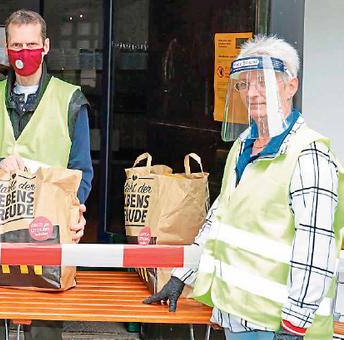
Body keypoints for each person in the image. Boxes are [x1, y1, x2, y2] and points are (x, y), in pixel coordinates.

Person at [144, 35, 343, 340]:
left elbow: (314, 249)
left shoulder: (308, 155)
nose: (253, 92)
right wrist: (181, 276)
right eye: (244, 84)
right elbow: (219, 221)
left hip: (281, 328)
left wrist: (294, 327)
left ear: (291, 86)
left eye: (264, 81)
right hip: (237, 319)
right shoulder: (243, 145)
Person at [0, 9, 94, 340]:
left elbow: (82, 170)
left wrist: (75, 212)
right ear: (6, 48)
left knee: (45, 330)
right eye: (17, 46)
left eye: (32, 44)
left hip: (46, 235)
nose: (24, 54)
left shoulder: (70, 100)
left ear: (46, 46)